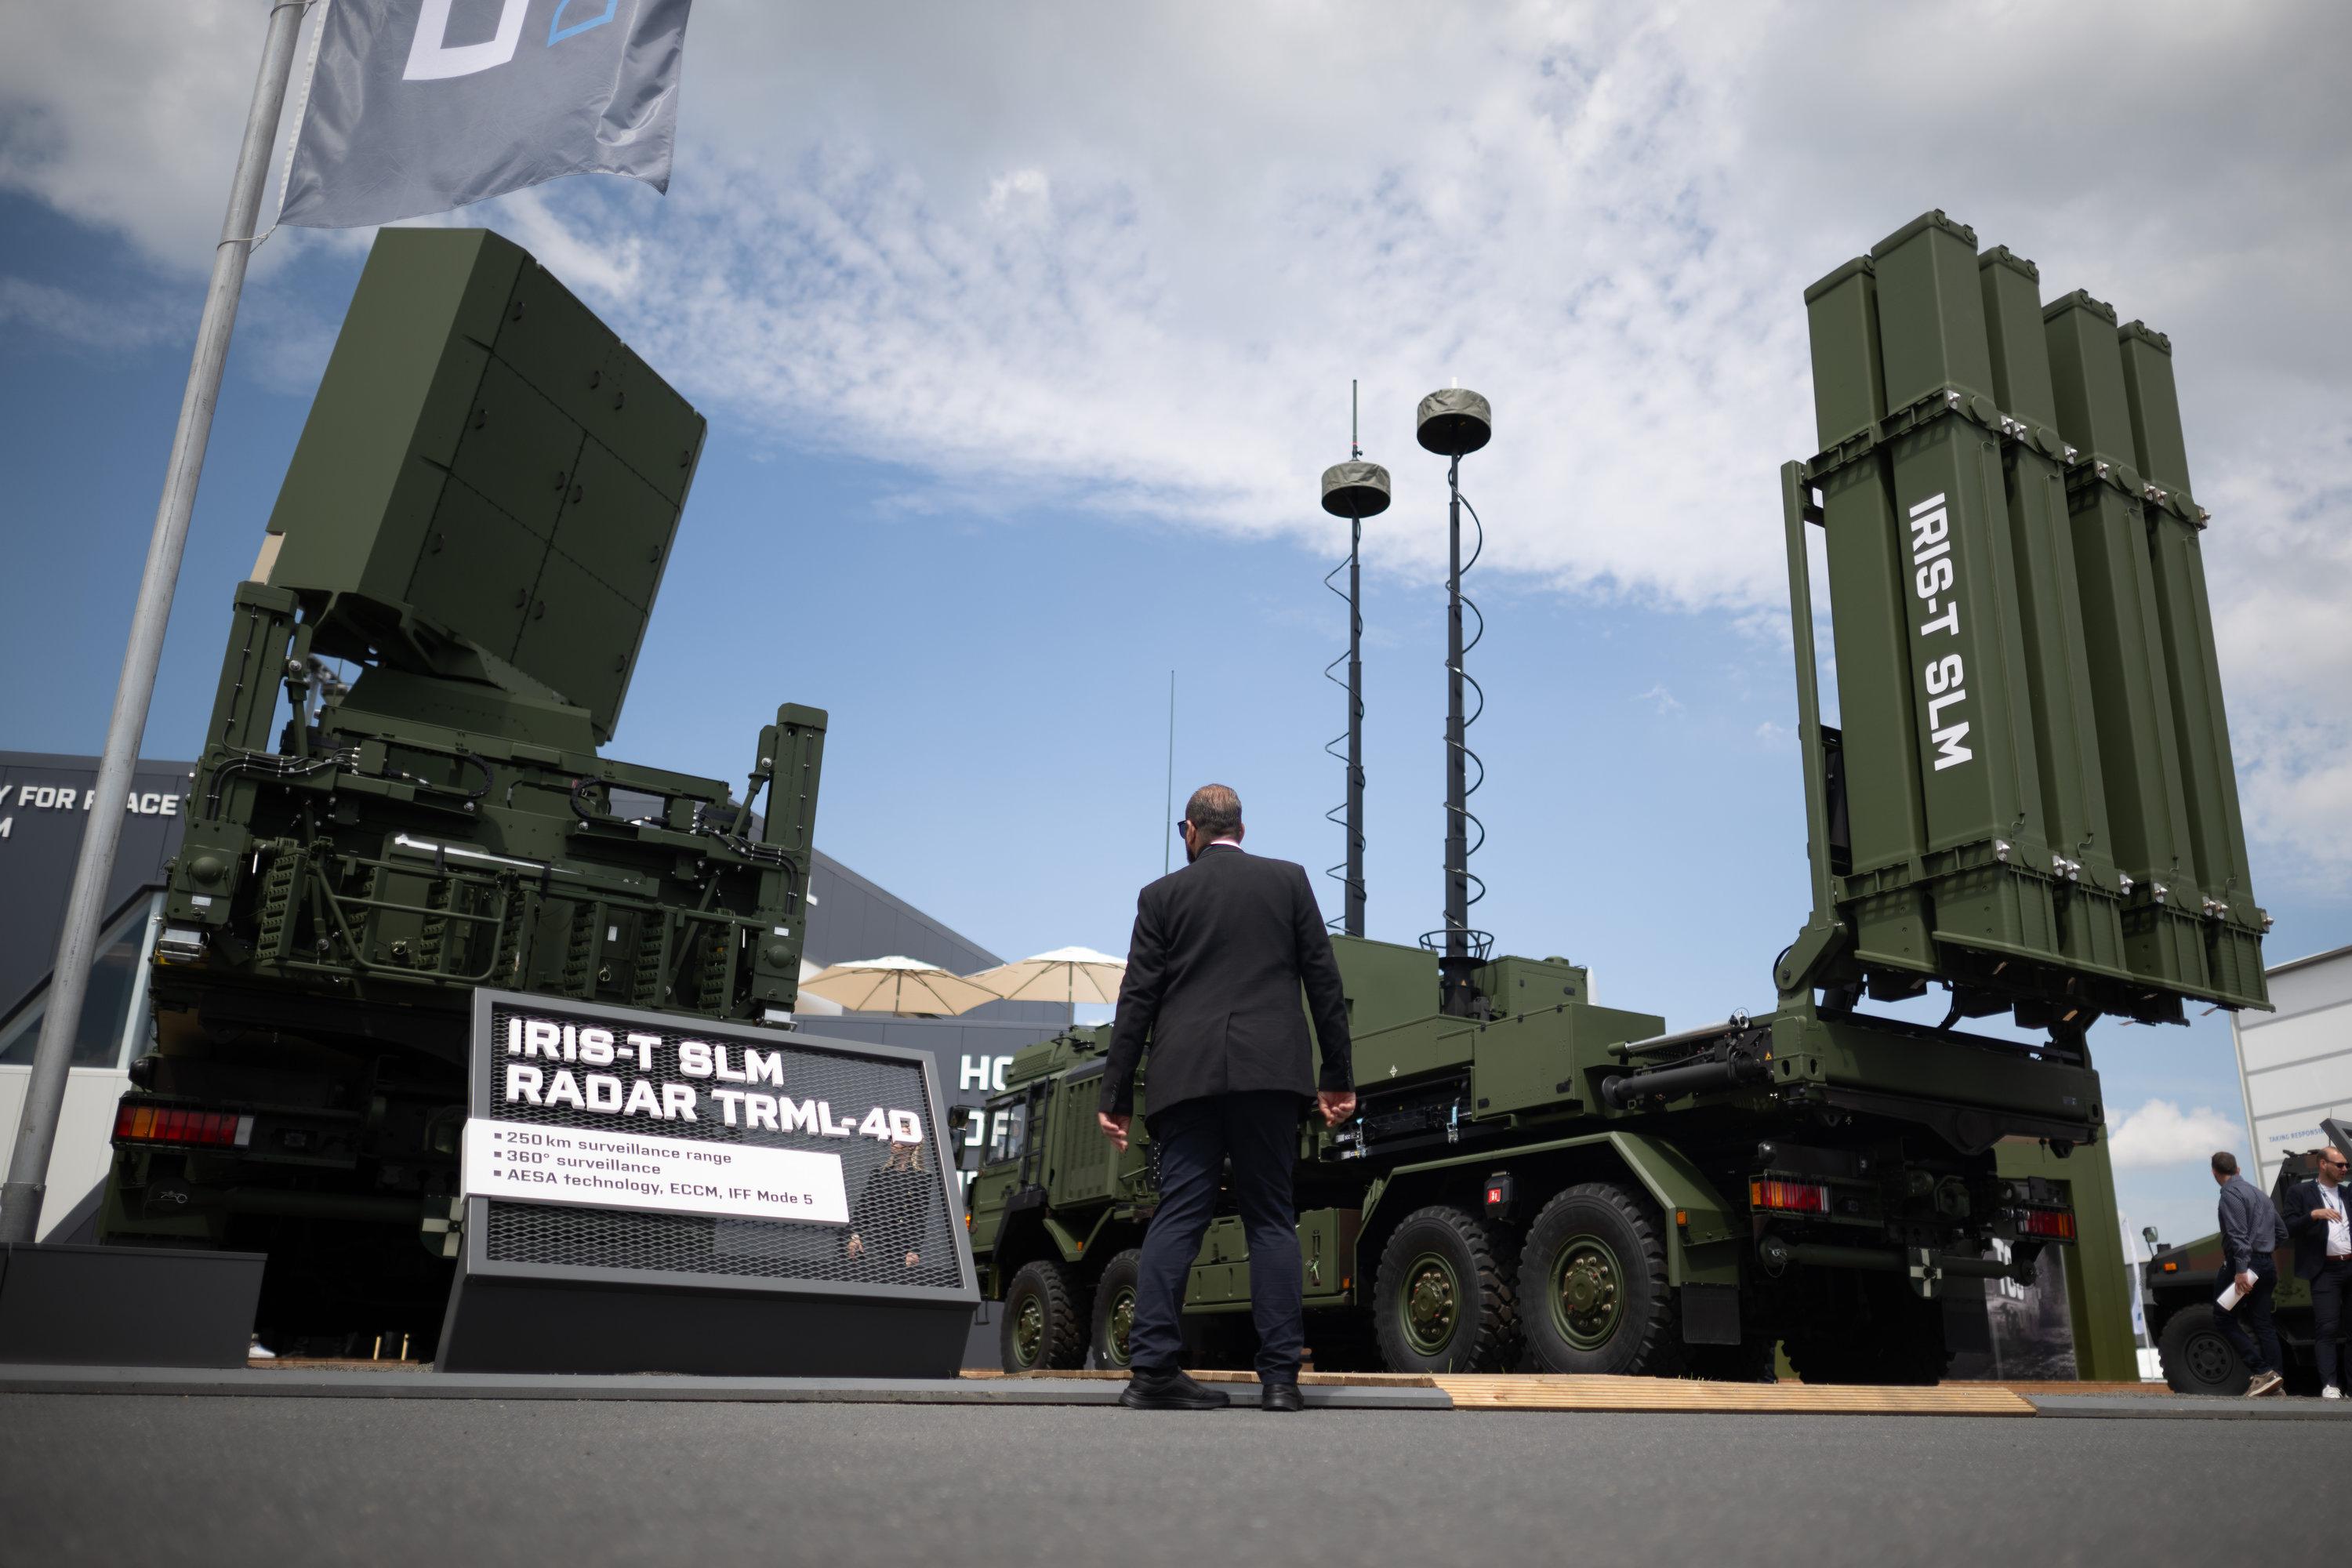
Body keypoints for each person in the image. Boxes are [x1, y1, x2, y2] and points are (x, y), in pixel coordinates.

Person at [1096, 783, 1353, 1413]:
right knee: (1271, 1217)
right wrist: (1337, 1076)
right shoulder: (1288, 881)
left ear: (1191, 830)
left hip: (1187, 1076)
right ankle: (1280, 1380)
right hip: (1270, 1073)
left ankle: (1152, 1371)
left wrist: (1116, 1093)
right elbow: (1324, 980)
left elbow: (1138, 998)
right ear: (1241, 828)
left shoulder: (1161, 896)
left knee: (1180, 1214)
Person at [2212, 1150, 2288, 1397]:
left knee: (2223, 1317)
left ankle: (2263, 1371)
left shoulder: (2230, 1194)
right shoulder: (2260, 1195)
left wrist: (2242, 1269)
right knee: (2263, 1323)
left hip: (2244, 1266)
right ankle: (2275, 1381)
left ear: (2214, 1172)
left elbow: (2238, 1236)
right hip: (2266, 1264)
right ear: (2238, 1169)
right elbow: (2282, 1233)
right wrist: (2264, 1252)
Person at [2285, 1145, 2352, 1398]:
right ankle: (2330, 1385)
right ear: (2323, 1164)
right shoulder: (2300, 1192)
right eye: (2340, 1165)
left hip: (2350, 1266)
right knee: (2327, 1328)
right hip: (2325, 1270)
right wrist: (2313, 1215)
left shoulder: (2347, 1193)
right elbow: (2288, 1227)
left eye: (2346, 1165)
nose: (2345, 1169)